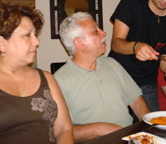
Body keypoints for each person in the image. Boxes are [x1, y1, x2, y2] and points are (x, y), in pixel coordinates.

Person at [0, 0, 74, 144]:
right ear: (1, 43)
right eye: (27, 35)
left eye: (35, 34)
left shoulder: (47, 78)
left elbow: (64, 130)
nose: (37, 41)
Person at [54, 12, 150, 143]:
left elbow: (136, 101)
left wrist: (150, 129)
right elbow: (60, 132)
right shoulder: (58, 81)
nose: (103, 33)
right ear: (79, 43)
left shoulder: (112, 63)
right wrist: (99, 129)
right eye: (95, 31)